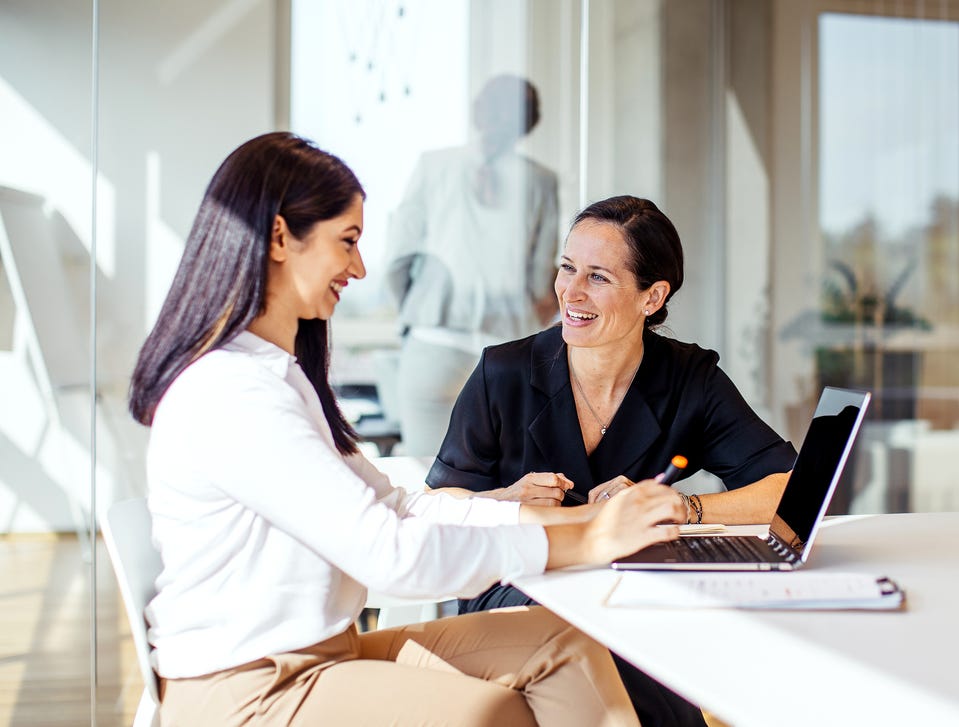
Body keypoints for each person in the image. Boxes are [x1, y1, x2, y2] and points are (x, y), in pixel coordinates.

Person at [127, 133, 684, 727]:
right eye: (348, 241)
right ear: (280, 237)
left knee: (564, 642)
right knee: (491, 713)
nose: (361, 267)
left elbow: (397, 506)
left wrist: (583, 521)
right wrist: (585, 542)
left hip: (322, 658)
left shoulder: (278, 378)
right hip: (250, 687)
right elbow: (389, 554)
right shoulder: (233, 393)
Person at [426, 194, 798, 725]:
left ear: (653, 296)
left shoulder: (689, 378)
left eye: (598, 277)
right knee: (608, 641)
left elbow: (789, 487)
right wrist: (504, 500)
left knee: (643, 639)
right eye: (567, 268)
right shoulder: (502, 373)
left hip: (635, 588)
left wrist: (677, 506)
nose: (570, 292)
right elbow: (439, 504)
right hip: (521, 586)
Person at [384, 74, 559, 455]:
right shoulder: (541, 182)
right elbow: (542, 278)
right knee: (510, 476)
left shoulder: (433, 167)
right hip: (508, 345)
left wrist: (417, 307)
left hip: (436, 337)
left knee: (427, 474)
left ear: (478, 112)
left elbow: (398, 256)